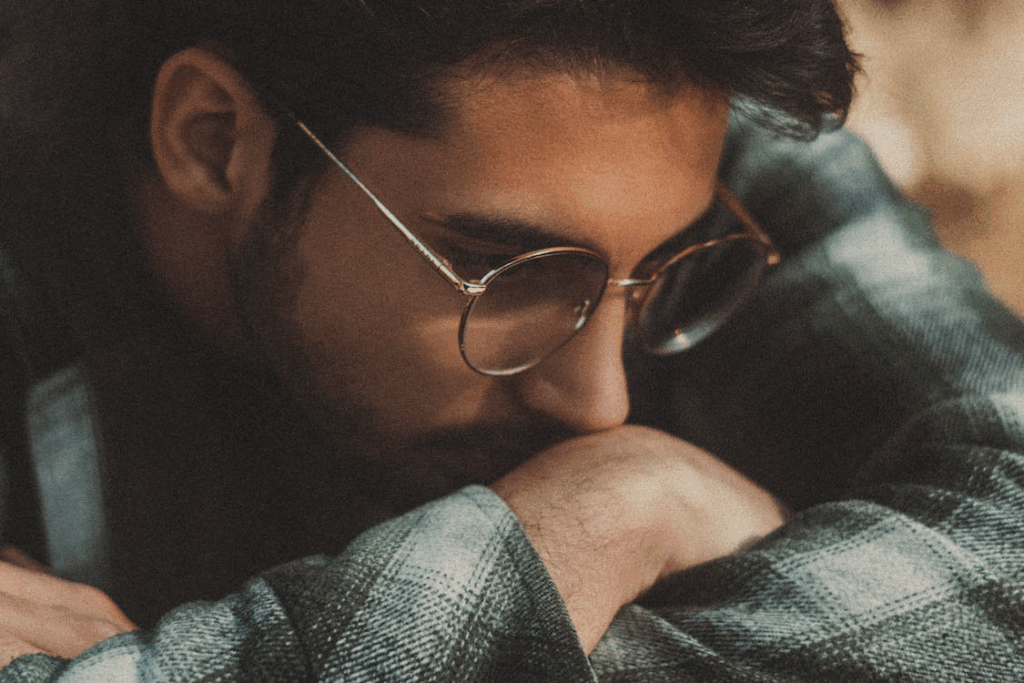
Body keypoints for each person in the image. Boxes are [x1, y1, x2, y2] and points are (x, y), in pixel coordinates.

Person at [1, 0, 1022, 680]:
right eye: (513, 274)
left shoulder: (675, 110)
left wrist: (606, 517)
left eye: (665, 266)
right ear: (213, 138)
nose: (599, 405)